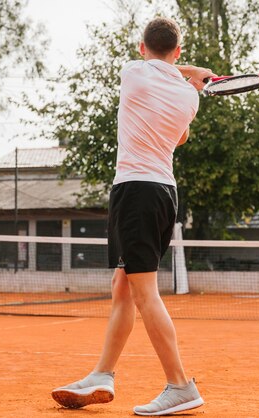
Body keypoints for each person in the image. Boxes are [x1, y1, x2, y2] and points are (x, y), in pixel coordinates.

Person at [52, 17, 216, 416]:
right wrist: (193, 80)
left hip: (135, 192)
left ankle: (180, 385)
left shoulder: (133, 72)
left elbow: (163, 68)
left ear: (142, 48)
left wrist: (188, 72)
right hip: (163, 194)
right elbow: (179, 136)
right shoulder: (190, 100)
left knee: (144, 292)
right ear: (176, 51)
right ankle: (102, 374)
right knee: (122, 285)